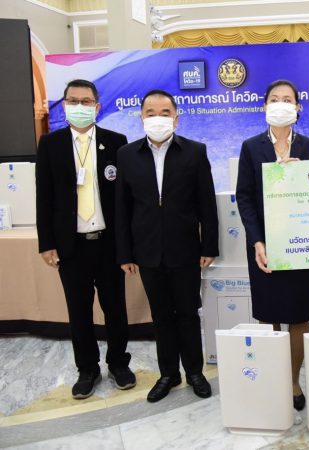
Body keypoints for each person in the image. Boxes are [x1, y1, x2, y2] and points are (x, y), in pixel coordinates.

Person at [115, 89, 219, 403]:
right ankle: (168, 374)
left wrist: (209, 246)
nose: (157, 118)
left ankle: (195, 372)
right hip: (147, 251)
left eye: (164, 113)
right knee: (161, 316)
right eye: (151, 113)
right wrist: (125, 252)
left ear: (176, 118)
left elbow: (206, 204)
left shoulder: (195, 152)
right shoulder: (127, 155)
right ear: (141, 117)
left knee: (187, 313)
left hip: (185, 249)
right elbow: (122, 208)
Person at [36, 79, 135, 399]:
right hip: (71, 246)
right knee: (79, 311)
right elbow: (44, 197)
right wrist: (46, 243)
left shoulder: (116, 142)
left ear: (97, 106)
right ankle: (87, 369)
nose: (79, 107)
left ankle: (118, 363)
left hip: (108, 243)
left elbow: (125, 199)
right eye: (73, 101)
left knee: (115, 308)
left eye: (86, 101)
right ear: (64, 105)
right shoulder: (50, 144)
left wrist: (127, 245)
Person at [236, 79, 309, 411]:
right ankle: (274, 380)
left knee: (299, 316)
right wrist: (257, 240)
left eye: (288, 99)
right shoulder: (251, 147)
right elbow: (245, 197)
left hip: (300, 243)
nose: (281, 104)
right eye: (275, 99)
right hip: (265, 247)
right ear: (265, 106)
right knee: (269, 315)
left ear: (298, 107)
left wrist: (303, 177)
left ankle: (293, 382)